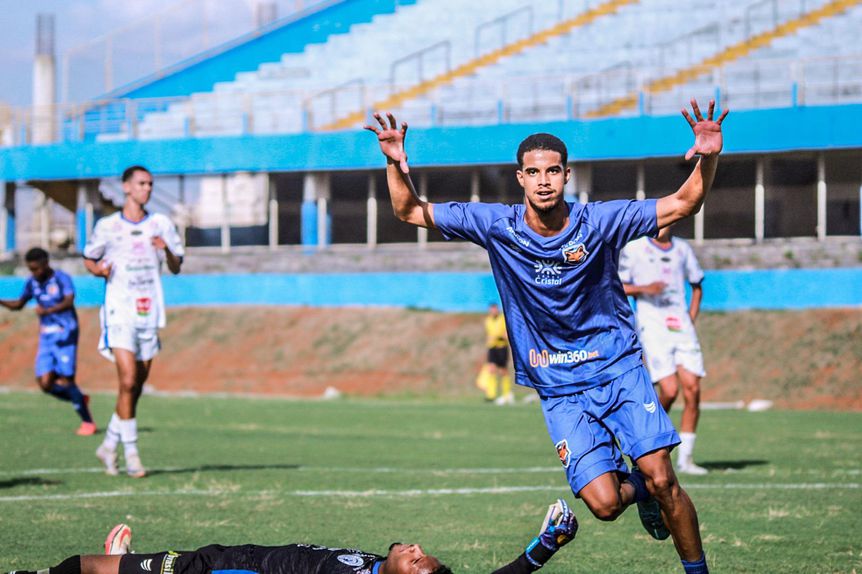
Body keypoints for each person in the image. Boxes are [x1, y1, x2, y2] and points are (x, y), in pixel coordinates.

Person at [365, 98, 727, 574]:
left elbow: (683, 203)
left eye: (552, 171)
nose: (543, 181)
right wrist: (395, 163)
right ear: (520, 178)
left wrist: (709, 157)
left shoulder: (600, 221)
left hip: (617, 367)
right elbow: (409, 210)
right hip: (558, 387)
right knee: (604, 505)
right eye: (533, 172)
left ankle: (694, 565)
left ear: (566, 175)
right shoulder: (496, 225)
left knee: (664, 478)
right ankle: (638, 488)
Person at [7, 499, 578, 574]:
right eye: (423, 553)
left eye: (416, 562)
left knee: (103, 568)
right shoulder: (374, 565)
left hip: (227, 569)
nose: (415, 549)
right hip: (241, 553)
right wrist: (543, 547)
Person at [83, 165, 184, 478]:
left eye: (150, 184)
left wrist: (166, 250)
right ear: (126, 187)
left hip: (149, 311)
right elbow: (89, 257)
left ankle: (108, 445)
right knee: (127, 380)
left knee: (135, 386)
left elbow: (177, 265)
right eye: (141, 183)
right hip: (119, 310)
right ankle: (132, 453)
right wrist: (98, 270)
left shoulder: (160, 223)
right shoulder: (108, 226)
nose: (147, 189)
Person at [619, 225, 707, 475]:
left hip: (681, 326)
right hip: (653, 326)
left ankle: (686, 460)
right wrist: (645, 288)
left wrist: (690, 318)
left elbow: (697, 286)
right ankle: (648, 443)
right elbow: (618, 285)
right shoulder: (635, 249)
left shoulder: (682, 249)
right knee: (669, 390)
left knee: (693, 389)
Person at [0, 247, 95, 435]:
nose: (34, 272)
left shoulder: (61, 278)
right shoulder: (32, 282)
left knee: (67, 380)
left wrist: (48, 310)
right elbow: (19, 304)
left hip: (66, 334)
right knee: (45, 384)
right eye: (31, 269)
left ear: (46, 263)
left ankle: (87, 422)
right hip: (47, 338)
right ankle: (78, 397)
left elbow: (69, 300)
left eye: (36, 268)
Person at [477, 302, 513, 404]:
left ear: (497, 310)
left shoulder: (502, 319)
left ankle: (506, 394)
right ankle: (491, 395)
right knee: (491, 369)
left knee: (503, 371)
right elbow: (488, 334)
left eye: (495, 309)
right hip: (492, 347)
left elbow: (506, 334)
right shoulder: (488, 321)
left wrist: (498, 336)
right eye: (491, 310)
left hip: (501, 347)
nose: (493, 311)